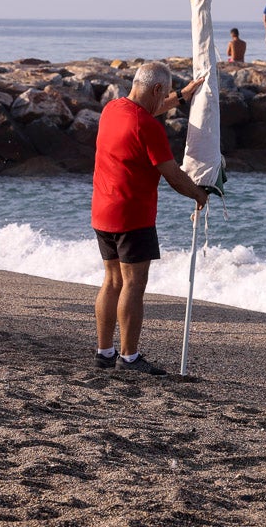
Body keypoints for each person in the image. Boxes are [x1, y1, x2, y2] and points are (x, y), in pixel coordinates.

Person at [92, 61, 209, 375]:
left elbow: (146, 113)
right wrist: (199, 194)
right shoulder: (149, 128)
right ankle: (129, 357)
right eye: (165, 94)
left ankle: (104, 352)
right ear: (157, 89)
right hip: (133, 216)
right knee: (133, 284)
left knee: (112, 281)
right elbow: (172, 175)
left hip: (103, 212)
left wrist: (182, 96)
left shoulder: (113, 110)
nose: (165, 100)